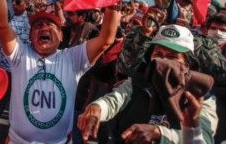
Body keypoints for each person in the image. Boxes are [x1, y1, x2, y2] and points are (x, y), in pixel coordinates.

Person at [0, 0, 121, 143]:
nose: (44, 28)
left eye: (51, 26)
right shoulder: (20, 54)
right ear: (30, 34)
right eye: (38, 25)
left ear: (60, 36)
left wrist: (112, 0)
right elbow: (2, 24)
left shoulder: (72, 59)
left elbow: (106, 39)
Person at [78, 25, 217, 144]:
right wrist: (97, 108)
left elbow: (204, 139)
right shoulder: (139, 81)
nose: (162, 61)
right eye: (158, 53)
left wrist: (160, 134)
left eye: (172, 56)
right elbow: (114, 100)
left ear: (188, 63)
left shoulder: (201, 97)